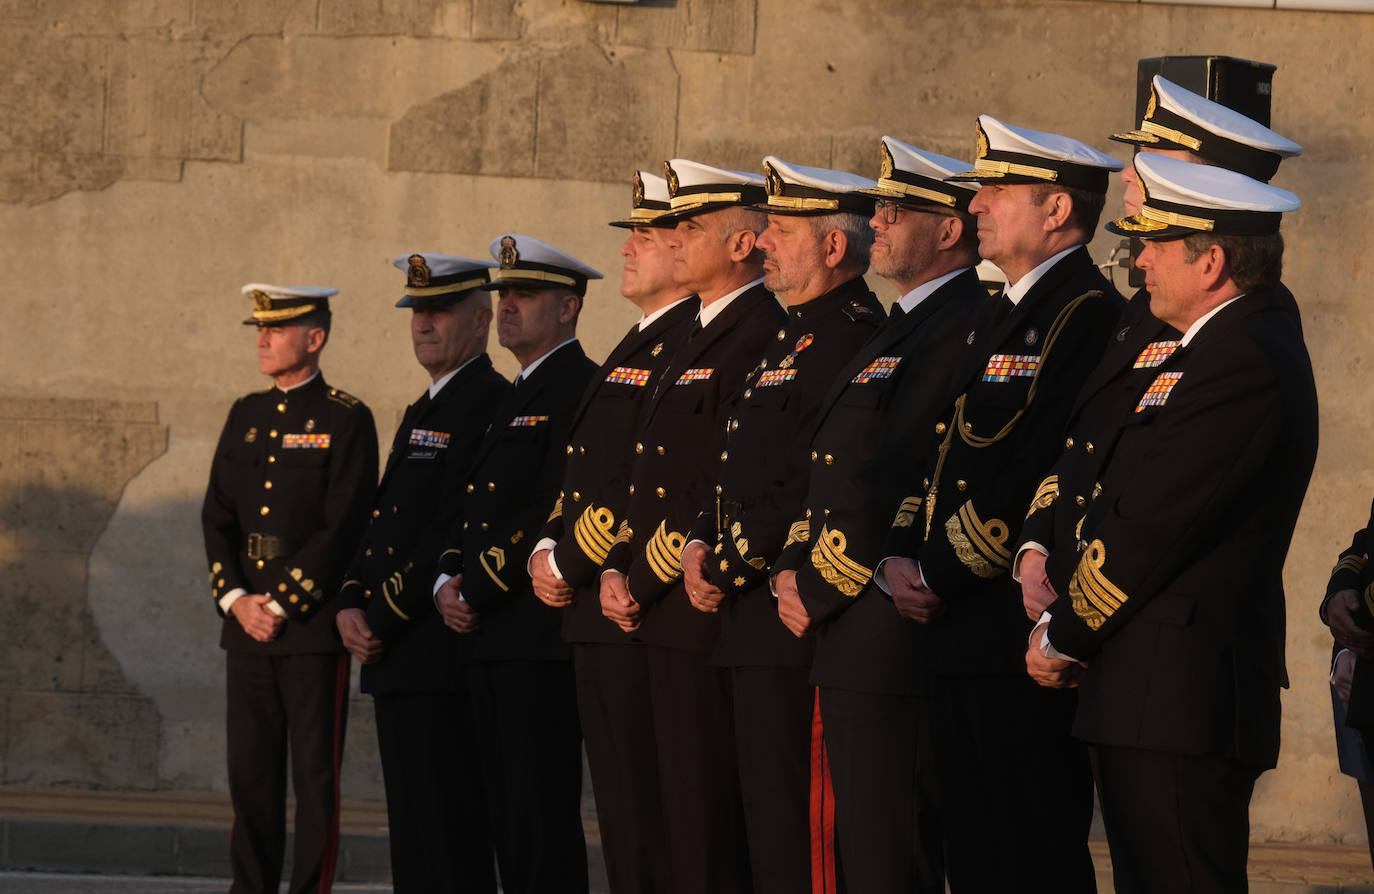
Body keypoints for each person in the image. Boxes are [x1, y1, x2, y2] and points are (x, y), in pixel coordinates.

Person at [1028, 152, 1314, 893]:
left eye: (1155, 244)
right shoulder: (1210, 344)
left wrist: (1065, 631)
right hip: (1147, 688)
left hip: (1181, 693)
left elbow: (1153, 522)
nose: (1139, 261)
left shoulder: (1243, 356)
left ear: (1211, 261)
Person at [877, 115, 1125, 891]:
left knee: (1028, 850)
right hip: (957, 626)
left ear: (1058, 210)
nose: (976, 204)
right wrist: (898, 556)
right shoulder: (999, 311)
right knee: (975, 851)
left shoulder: (1084, 312)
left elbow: (1041, 463)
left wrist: (939, 572)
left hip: (1010, 624)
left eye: (997, 190)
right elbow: (940, 452)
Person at [1018, 74, 1304, 655]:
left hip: (1161, 647)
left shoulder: (1243, 328)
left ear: (1210, 182)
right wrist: (1039, 543)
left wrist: (1067, 630)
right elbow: (1087, 439)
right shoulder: (1149, 305)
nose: (1130, 172)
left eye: (1152, 157)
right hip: (1100, 630)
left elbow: (1163, 507)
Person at [771, 137, 983, 894]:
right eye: (880, 208)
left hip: (890, 628)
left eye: (897, 210)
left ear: (950, 230)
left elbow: (904, 472)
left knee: (890, 854)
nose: (879, 221)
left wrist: (820, 583)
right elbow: (828, 468)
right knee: (859, 849)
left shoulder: (964, 325)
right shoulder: (900, 324)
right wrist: (791, 565)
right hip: (851, 626)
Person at [675, 156, 883, 894]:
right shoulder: (789, 335)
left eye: (783, 231)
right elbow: (735, 463)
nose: (764, 241)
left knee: (801, 838)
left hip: (793, 616)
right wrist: (698, 539)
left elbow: (809, 478)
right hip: (746, 617)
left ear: (834, 245)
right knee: (760, 833)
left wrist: (729, 563)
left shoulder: (853, 336)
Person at [599, 158, 784, 894]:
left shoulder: (758, 330)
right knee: (669, 824)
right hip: (658, 607)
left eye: (690, 227)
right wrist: (616, 564)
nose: (672, 238)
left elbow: (716, 478)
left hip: (696, 601)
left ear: (742, 243)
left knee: (707, 828)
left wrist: (639, 577)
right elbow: (641, 475)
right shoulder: (690, 334)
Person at [527, 171, 696, 894]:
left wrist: (570, 562)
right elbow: (582, 473)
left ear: (685, 249)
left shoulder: (684, 343)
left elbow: (646, 482)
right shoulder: (637, 342)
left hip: (635, 601)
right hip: (596, 607)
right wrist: (546, 546)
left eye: (647, 236)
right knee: (622, 818)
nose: (628, 249)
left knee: (650, 818)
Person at [334, 253, 506, 893]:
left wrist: (378, 615)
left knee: (447, 834)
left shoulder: (489, 402)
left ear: (482, 320)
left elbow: (452, 527)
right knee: (413, 836)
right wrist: (348, 602)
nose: (423, 323)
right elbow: (384, 522)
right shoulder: (426, 407)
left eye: (440, 311)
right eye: (417, 312)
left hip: (438, 654)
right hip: (396, 654)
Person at [433, 233, 600, 894]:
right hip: (487, 636)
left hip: (536, 635)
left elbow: (550, 506)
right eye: (504, 294)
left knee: (539, 820)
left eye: (525, 294)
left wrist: (473, 586)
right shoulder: (515, 393)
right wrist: (446, 579)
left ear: (568, 307)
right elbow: (472, 503)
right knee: (504, 819)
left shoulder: (580, 386)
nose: (507, 306)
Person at [202, 283, 378, 894]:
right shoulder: (245, 414)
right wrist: (237, 601)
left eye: (275, 329)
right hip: (245, 627)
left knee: (314, 779)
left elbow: (344, 525)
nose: (262, 339)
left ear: (315, 337)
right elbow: (217, 516)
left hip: (308, 630)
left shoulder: (346, 418)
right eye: (259, 329)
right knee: (250, 777)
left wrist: (279, 604)